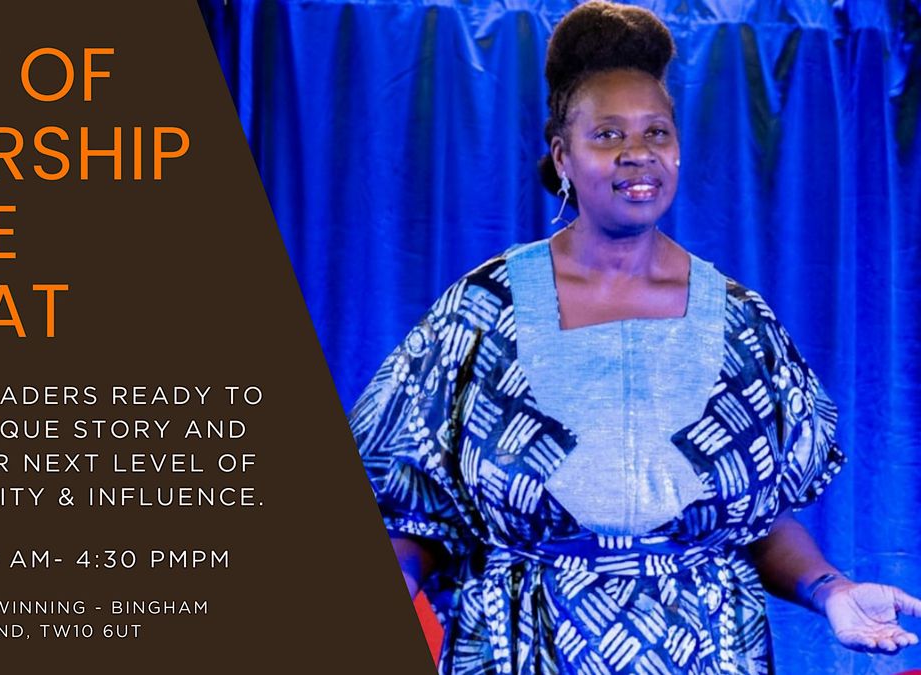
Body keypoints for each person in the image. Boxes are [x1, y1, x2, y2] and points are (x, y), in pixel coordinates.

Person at [350, 2, 921, 673]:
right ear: (562, 156)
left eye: (656, 132)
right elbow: (414, 516)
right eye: (607, 134)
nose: (638, 153)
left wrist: (832, 590)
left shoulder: (742, 325)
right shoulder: (481, 313)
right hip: (521, 651)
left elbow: (756, 522)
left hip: (708, 653)